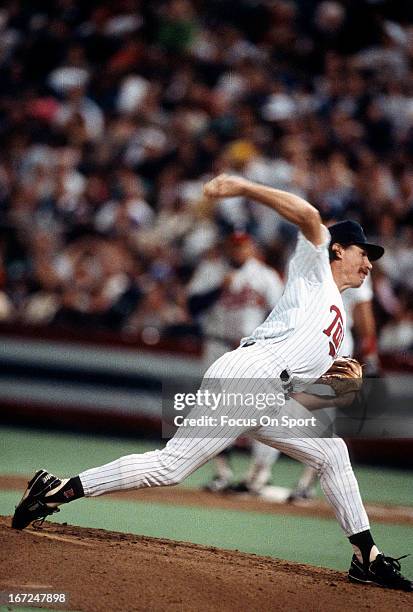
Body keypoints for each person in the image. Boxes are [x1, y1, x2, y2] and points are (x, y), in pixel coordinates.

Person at [12, 174, 412, 591]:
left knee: (331, 452)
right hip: (251, 377)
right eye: (363, 253)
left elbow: (304, 386)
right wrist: (243, 187)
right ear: (337, 249)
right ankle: (56, 490)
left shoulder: (334, 312)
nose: (369, 264)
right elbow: (308, 214)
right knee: (171, 467)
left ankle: (367, 557)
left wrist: (338, 384)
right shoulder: (315, 272)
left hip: (271, 392)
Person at [187, 232, 284, 493]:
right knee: (211, 412)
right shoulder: (211, 270)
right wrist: (219, 288)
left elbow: (283, 316)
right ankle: (222, 472)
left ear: (251, 247)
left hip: (251, 350)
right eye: (235, 246)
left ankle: (259, 473)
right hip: (216, 345)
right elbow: (192, 306)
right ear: (228, 247)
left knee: (259, 409)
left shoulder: (266, 276)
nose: (239, 250)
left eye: (244, 245)